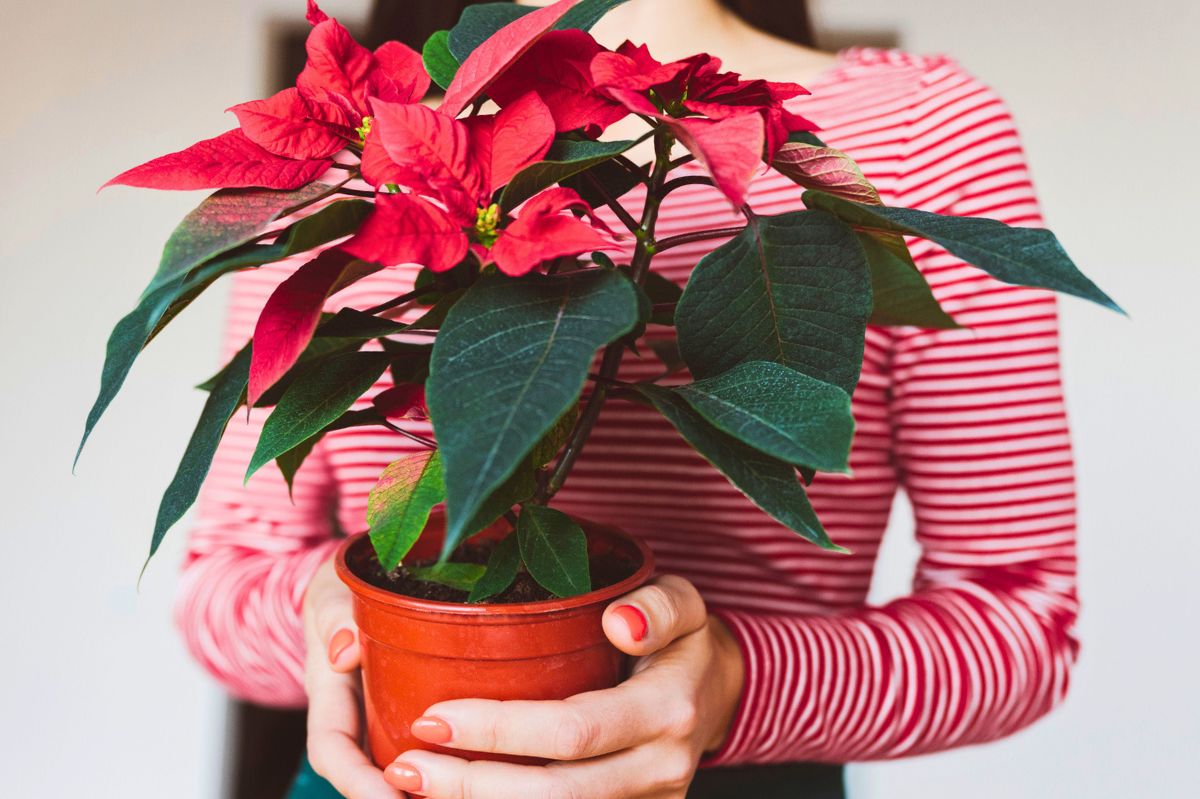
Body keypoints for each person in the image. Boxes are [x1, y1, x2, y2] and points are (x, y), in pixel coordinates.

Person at [176, 1, 1082, 796]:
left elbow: (1021, 620)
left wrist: (735, 683)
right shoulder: (368, 137)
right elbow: (221, 580)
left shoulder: (925, 129)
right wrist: (338, 616)